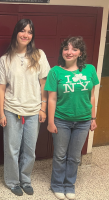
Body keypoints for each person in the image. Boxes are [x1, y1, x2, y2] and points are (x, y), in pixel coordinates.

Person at [0, 19, 50, 196]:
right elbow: (1, 88)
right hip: (11, 110)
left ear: (32, 36)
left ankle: (25, 180)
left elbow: (44, 84)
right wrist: (1, 113)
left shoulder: (39, 55)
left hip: (33, 112)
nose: (26, 34)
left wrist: (43, 108)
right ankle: (12, 181)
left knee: (30, 150)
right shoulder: (5, 59)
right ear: (16, 33)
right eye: (22, 30)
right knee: (12, 149)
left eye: (29, 31)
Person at [45, 36, 99, 200]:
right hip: (61, 120)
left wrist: (93, 117)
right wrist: (50, 121)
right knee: (60, 155)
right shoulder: (55, 72)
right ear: (62, 51)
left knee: (75, 157)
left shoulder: (89, 69)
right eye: (66, 48)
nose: (70, 52)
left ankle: (69, 185)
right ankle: (57, 185)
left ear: (80, 52)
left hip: (83, 121)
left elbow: (92, 96)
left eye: (74, 49)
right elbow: (52, 98)